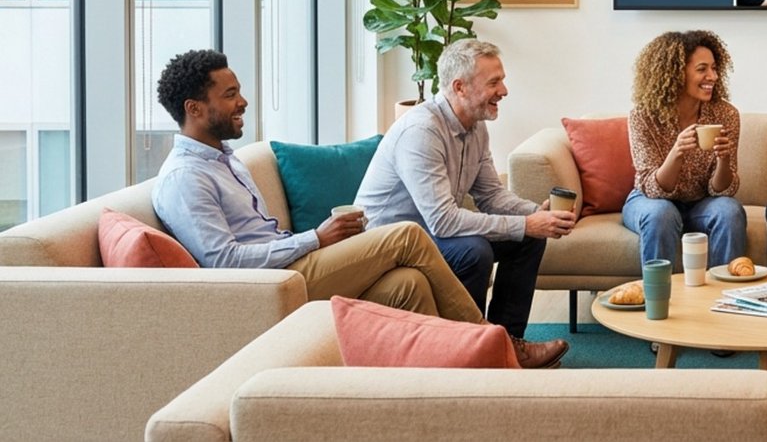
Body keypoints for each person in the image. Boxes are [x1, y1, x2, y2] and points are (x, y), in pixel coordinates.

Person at [149, 50, 568, 369]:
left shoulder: (223, 159)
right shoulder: (186, 177)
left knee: (410, 284)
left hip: (294, 263)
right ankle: (489, 349)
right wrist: (314, 238)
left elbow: (491, 195)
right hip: (272, 283)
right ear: (194, 108)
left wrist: (534, 216)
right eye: (230, 95)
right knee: (426, 239)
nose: (243, 102)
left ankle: (449, 371)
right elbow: (224, 262)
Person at [356, 39, 577, 353]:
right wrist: (526, 223)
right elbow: (444, 221)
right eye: (494, 82)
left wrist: (536, 214)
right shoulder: (421, 131)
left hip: (429, 234)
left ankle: (506, 345)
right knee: (473, 251)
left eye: (502, 80)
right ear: (459, 87)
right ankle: (466, 350)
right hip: (392, 244)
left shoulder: (475, 126)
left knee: (527, 238)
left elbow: (491, 195)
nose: (504, 90)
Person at [622, 31, 748, 271]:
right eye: (702, 69)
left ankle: (724, 300)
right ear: (676, 73)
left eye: (714, 68)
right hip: (649, 201)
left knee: (729, 211)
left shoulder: (725, 114)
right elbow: (653, 188)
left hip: (702, 202)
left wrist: (724, 160)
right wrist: (677, 152)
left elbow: (721, 190)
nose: (712, 76)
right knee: (662, 214)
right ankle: (659, 300)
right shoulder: (643, 116)